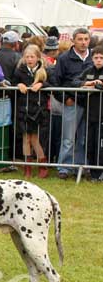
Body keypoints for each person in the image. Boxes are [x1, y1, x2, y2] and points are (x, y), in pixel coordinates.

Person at [49, 27, 92, 179]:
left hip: (91, 103)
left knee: (83, 138)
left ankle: (80, 166)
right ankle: (64, 168)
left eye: (86, 39)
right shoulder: (64, 58)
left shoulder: (94, 56)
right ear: (73, 40)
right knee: (68, 138)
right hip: (72, 102)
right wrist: (64, 98)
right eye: (80, 39)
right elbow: (55, 80)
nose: (83, 42)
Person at [14, 44, 50, 178]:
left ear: (38, 57)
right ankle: (27, 168)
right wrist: (19, 84)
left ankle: (42, 164)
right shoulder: (20, 70)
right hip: (24, 108)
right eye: (27, 57)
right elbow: (13, 81)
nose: (29, 59)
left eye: (32, 57)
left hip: (38, 109)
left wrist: (42, 84)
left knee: (34, 138)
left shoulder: (44, 70)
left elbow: (52, 82)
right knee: (26, 138)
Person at [74, 45, 103, 180]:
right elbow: (75, 82)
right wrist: (88, 83)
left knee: (100, 145)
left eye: (101, 58)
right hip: (90, 115)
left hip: (101, 116)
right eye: (96, 57)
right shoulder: (88, 71)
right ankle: (93, 172)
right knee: (89, 144)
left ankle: (100, 172)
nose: (98, 60)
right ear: (92, 59)